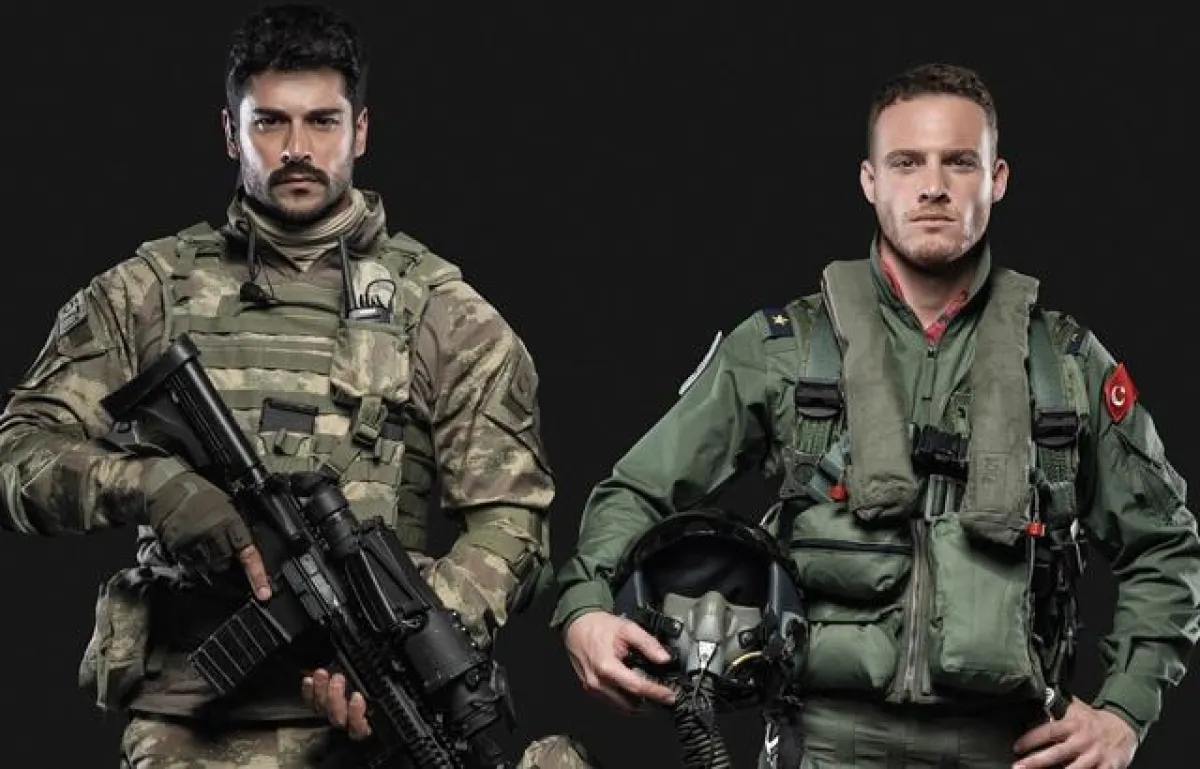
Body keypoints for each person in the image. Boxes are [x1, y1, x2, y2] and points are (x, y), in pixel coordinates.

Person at [551, 61, 1200, 769]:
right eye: (906, 162)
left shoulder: (1066, 366)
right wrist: (585, 607)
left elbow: (1165, 546)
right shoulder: (784, 350)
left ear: (997, 178)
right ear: (870, 180)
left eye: (959, 162)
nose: (932, 186)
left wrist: (1124, 710)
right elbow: (636, 490)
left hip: (1008, 748)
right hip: (820, 746)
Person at [0, 4, 594, 767]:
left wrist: (409, 638)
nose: (297, 149)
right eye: (270, 123)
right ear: (231, 131)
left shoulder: (444, 314)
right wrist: (150, 487)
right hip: (191, 723)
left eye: (322, 121)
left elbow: (512, 521)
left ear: (361, 130)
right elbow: (18, 454)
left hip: (373, 719)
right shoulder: (145, 294)